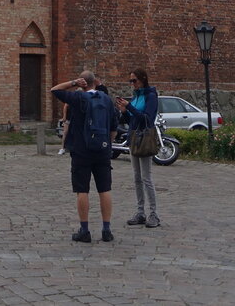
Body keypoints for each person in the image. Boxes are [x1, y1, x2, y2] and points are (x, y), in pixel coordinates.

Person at [51, 70, 118, 242]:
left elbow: (55, 90)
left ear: (83, 83)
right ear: (95, 81)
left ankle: (84, 230)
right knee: (105, 189)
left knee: (82, 190)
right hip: (102, 149)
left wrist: (73, 82)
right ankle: (106, 229)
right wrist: (108, 146)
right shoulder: (107, 100)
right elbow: (113, 128)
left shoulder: (78, 98)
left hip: (81, 150)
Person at [114, 68, 161, 228]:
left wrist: (130, 107)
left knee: (146, 177)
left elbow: (147, 118)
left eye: (134, 80)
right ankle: (140, 212)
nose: (132, 83)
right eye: (130, 81)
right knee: (137, 177)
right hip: (134, 137)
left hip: (145, 138)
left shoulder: (151, 96)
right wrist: (124, 111)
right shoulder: (136, 97)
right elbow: (132, 120)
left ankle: (154, 213)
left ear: (142, 79)